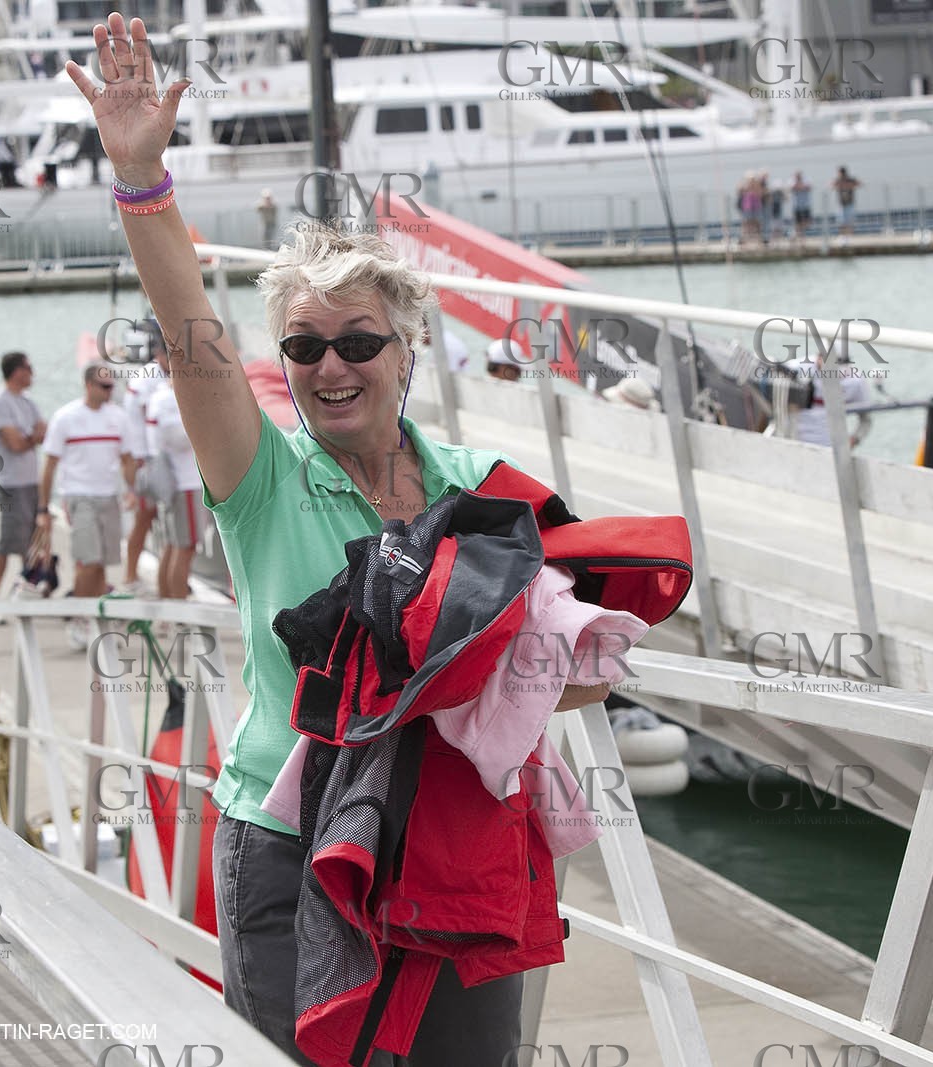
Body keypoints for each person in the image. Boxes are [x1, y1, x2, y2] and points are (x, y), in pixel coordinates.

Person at [66, 18, 610, 1063]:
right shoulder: (262, 480)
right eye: (305, 345)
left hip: (450, 841)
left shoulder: (481, 489)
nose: (331, 366)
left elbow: (574, 661)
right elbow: (188, 330)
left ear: (407, 349)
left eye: (359, 341)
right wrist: (141, 180)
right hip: (288, 846)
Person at [37, 361, 140, 650]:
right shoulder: (65, 417)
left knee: (102, 563)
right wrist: (43, 509)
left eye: (112, 387)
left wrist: (131, 490)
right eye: (104, 386)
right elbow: (49, 465)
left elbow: (127, 459)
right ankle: (79, 620)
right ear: (88, 385)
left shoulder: (118, 418)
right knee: (87, 561)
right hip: (79, 496)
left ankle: (97, 618)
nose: (109, 391)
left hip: (108, 496)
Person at [0, 351, 46, 625]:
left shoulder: (28, 402)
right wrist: (32, 437)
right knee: (8, 541)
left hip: (31, 480)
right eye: (28, 368)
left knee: (31, 542)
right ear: (17, 371)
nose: (32, 373)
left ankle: (25, 593)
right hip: (9, 481)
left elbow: (43, 431)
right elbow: (15, 444)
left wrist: (31, 436)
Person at [146, 381, 207, 603]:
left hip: (177, 482)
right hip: (184, 483)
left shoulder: (161, 396)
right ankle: (178, 608)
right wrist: (204, 414)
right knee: (185, 548)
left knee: (173, 546)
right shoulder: (167, 398)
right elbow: (179, 438)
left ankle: (168, 604)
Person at [122, 344, 167, 593]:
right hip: (145, 461)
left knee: (164, 522)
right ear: (159, 355)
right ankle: (130, 575)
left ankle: (166, 577)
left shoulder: (168, 375)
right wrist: (140, 462)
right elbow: (137, 420)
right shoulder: (145, 379)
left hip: (162, 460)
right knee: (143, 518)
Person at [785, 346, 873, 448]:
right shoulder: (795, 369)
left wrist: (854, 440)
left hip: (831, 446)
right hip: (792, 440)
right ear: (819, 357)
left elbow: (866, 419)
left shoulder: (856, 382)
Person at [833, 165, 861, 236]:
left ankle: (850, 234)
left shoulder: (850, 179)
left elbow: (859, 184)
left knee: (850, 220)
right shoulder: (838, 180)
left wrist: (849, 185)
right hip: (841, 203)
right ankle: (842, 235)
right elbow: (833, 185)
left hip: (850, 203)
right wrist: (840, 185)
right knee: (841, 221)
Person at [791, 171, 812, 240]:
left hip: (805, 206)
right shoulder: (792, 182)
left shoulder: (806, 181)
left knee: (807, 222)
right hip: (797, 206)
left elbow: (808, 187)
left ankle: (801, 235)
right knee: (798, 223)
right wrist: (800, 187)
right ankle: (799, 236)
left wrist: (801, 187)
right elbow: (793, 188)